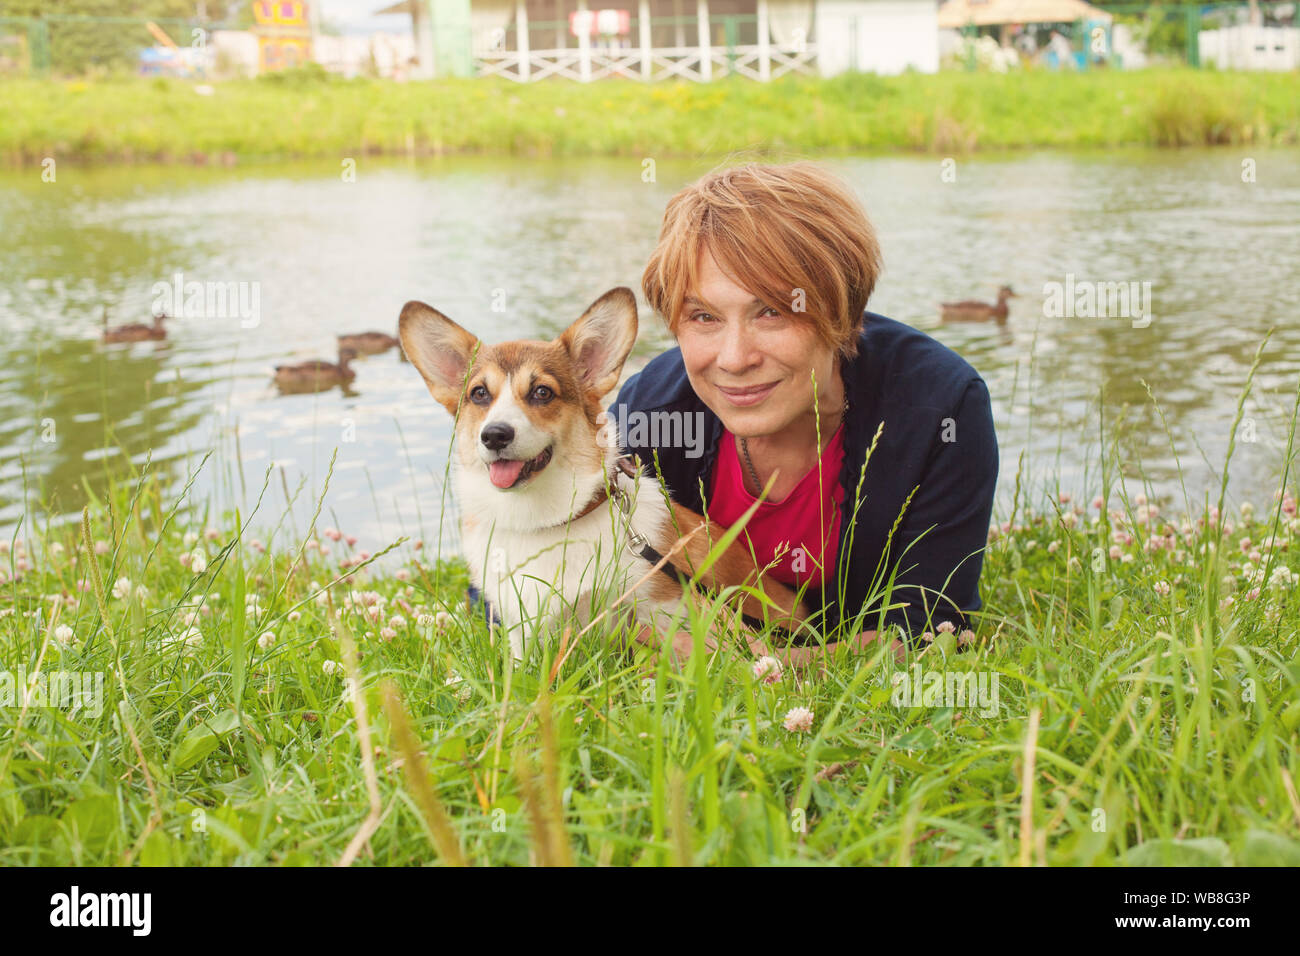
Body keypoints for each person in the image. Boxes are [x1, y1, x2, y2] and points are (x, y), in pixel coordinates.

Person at [613, 161, 998, 665]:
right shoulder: (651, 415)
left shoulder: (939, 408)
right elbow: (513, 579)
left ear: (844, 311)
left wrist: (764, 669)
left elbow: (931, 626)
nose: (733, 358)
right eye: (703, 316)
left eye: (771, 311)